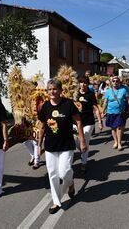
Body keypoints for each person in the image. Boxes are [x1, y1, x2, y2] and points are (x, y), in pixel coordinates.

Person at [37, 78, 87, 214]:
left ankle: (70, 183)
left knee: (64, 172)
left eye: (55, 89)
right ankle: (56, 201)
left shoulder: (68, 104)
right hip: (50, 146)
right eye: (50, 89)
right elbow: (41, 127)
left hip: (66, 145)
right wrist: (39, 144)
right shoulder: (45, 106)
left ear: (60, 90)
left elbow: (78, 122)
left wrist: (82, 141)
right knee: (53, 174)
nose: (52, 91)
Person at [75, 77, 103, 174]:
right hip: (75, 122)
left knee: (85, 141)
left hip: (88, 122)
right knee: (74, 140)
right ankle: (83, 150)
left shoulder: (90, 95)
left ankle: (83, 163)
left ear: (87, 84)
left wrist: (99, 121)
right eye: (81, 82)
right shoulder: (75, 94)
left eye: (84, 83)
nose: (82, 84)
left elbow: (96, 108)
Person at [102, 76, 129, 151]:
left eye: (117, 81)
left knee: (119, 127)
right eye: (113, 81)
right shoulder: (108, 91)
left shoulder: (123, 90)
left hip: (120, 112)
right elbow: (105, 102)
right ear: (111, 82)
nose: (115, 82)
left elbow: (128, 100)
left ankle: (119, 143)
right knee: (113, 128)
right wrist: (103, 111)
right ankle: (115, 142)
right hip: (110, 112)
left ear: (119, 82)